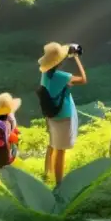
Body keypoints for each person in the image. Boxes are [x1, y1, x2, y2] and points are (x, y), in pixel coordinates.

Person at [38, 42, 86, 185]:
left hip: (51, 115)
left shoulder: (45, 75)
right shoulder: (62, 76)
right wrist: (76, 58)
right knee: (60, 151)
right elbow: (83, 79)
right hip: (63, 115)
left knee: (52, 145)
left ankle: (48, 174)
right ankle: (59, 183)